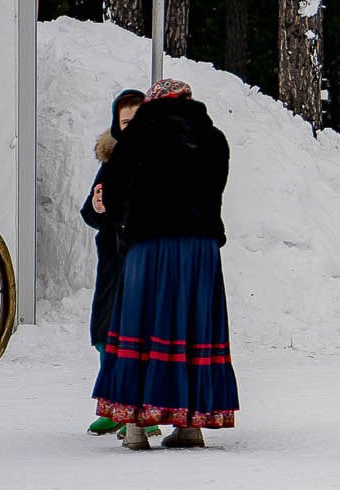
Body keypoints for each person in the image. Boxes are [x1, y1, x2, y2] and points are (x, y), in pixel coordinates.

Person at [90, 78, 240, 450]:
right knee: (192, 326)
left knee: (142, 325)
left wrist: (125, 227)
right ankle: (190, 426)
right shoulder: (213, 138)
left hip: (150, 247)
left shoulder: (140, 134)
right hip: (200, 249)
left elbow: (116, 189)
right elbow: (216, 187)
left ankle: (138, 427)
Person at [80, 88, 152, 437]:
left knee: (136, 336)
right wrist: (97, 208)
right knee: (103, 332)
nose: (131, 127)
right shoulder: (111, 161)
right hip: (112, 260)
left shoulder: (157, 158)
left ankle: (139, 413)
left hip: (143, 259)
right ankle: (113, 406)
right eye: (126, 121)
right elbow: (89, 213)